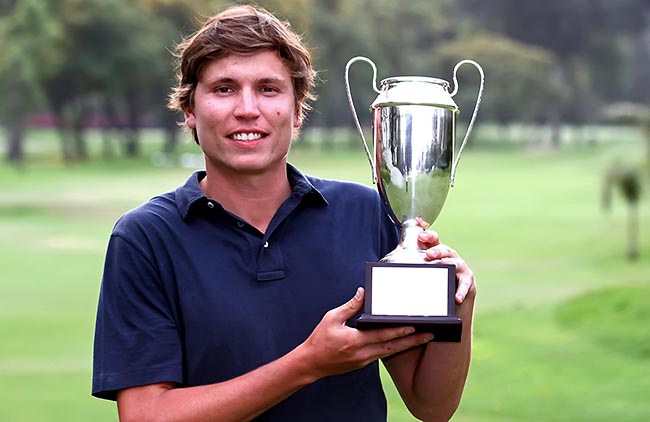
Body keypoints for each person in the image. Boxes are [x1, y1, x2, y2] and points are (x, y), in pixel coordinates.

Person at [92, 5, 476, 421]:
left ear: (296, 112)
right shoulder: (146, 237)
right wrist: (307, 364)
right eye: (223, 89)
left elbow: (432, 405)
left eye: (269, 89)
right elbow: (145, 416)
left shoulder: (364, 212)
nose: (247, 109)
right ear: (190, 109)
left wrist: (460, 301)